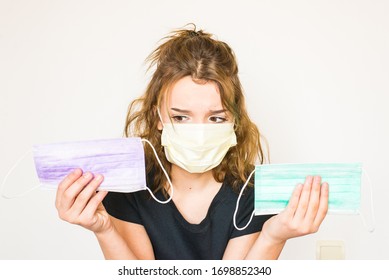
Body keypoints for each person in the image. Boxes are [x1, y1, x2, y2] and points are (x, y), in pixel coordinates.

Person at [55, 25, 329, 260]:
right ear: (158, 117)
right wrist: (105, 230)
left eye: (216, 119)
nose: (198, 133)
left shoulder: (250, 194)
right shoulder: (129, 191)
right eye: (181, 117)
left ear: (234, 120)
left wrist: (273, 236)